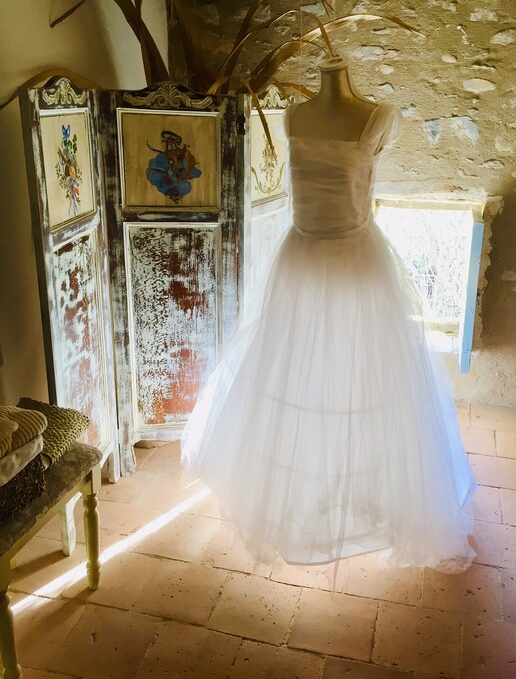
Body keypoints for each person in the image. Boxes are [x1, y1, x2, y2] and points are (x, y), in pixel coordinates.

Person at [181, 55, 476, 573]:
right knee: (301, 373)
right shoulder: (293, 116)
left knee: (361, 375)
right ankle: (309, 484)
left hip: (356, 261)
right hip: (301, 257)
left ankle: (366, 487)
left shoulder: (376, 117)